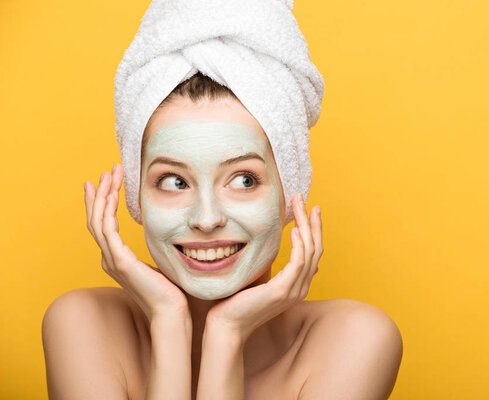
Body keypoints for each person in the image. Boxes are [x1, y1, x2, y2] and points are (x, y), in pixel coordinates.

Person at [42, 1, 403, 399]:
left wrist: (226, 334)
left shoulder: (355, 342)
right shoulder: (82, 325)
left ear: (289, 193)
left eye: (244, 179)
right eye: (175, 181)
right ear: (136, 198)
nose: (207, 218)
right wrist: (168, 321)